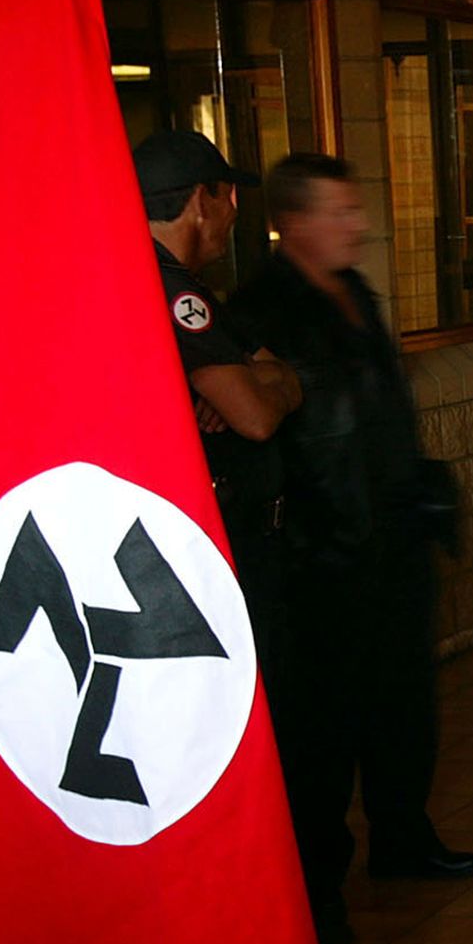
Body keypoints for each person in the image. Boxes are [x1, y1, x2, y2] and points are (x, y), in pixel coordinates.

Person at [229, 153, 473, 944]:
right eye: (339, 211)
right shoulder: (259, 309)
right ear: (292, 221)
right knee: (321, 730)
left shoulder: (358, 296)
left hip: (390, 540)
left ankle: (403, 836)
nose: (357, 225)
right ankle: (317, 888)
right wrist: (306, 538)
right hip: (319, 557)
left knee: (404, 704)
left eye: (356, 208)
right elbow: (263, 436)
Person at [134, 128, 300, 709]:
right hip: (219, 548)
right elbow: (256, 415)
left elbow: (277, 373)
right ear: (199, 201)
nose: (234, 211)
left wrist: (256, 382)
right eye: (227, 195)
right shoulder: (174, 294)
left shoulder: (164, 282)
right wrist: (259, 387)